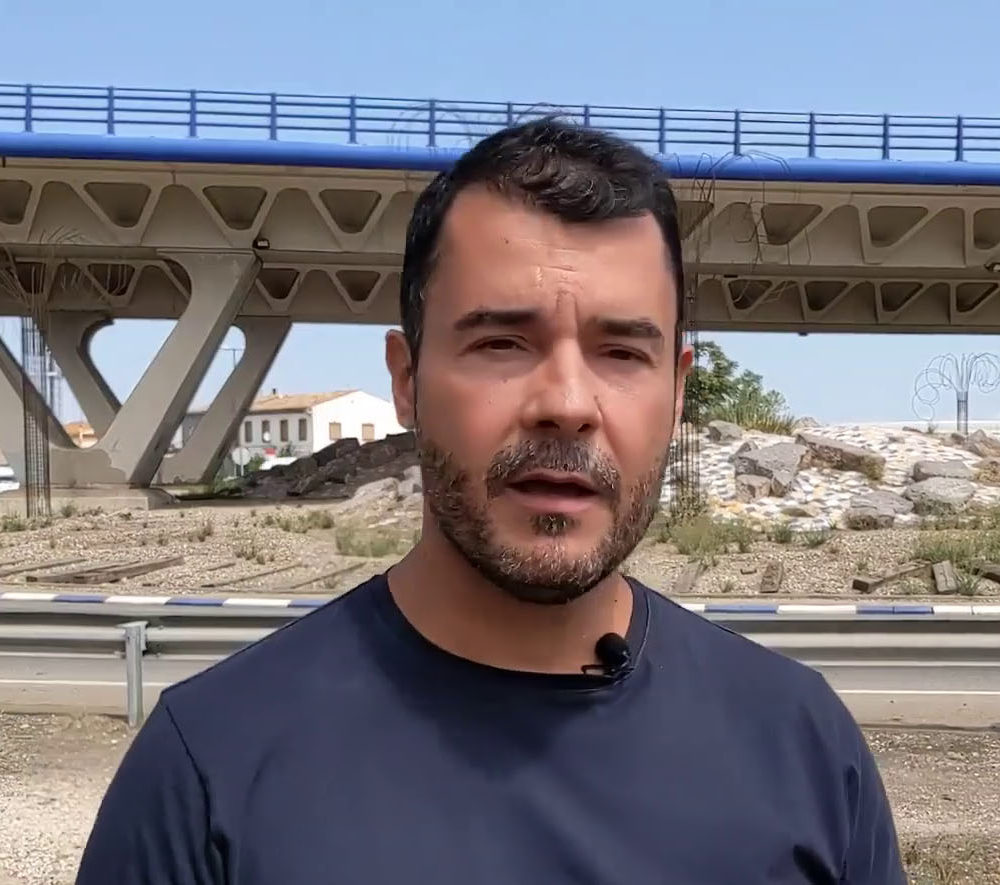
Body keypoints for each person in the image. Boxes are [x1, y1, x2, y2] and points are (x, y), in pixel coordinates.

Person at [76, 118, 905, 884]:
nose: (567, 403)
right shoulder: (209, 770)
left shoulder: (803, 748)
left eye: (622, 352)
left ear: (677, 393)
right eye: (502, 342)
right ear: (407, 380)